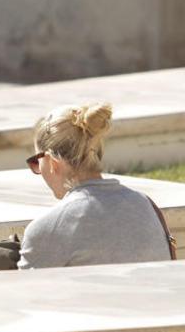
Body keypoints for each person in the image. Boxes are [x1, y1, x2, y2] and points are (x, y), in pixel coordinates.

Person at [17, 102, 173, 268]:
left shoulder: (48, 228)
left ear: (52, 163)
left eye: (36, 162)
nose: (37, 169)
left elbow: (26, 292)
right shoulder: (145, 205)